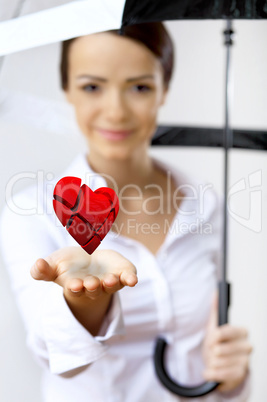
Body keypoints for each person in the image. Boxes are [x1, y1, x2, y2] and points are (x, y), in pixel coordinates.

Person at [0, 23, 252, 401]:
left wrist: (233, 377)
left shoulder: (206, 205)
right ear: (66, 88)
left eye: (139, 87)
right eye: (91, 86)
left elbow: (211, 365)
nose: (115, 111)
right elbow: (57, 356)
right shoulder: (29, 212)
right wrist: (87, 299)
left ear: (164, 89)